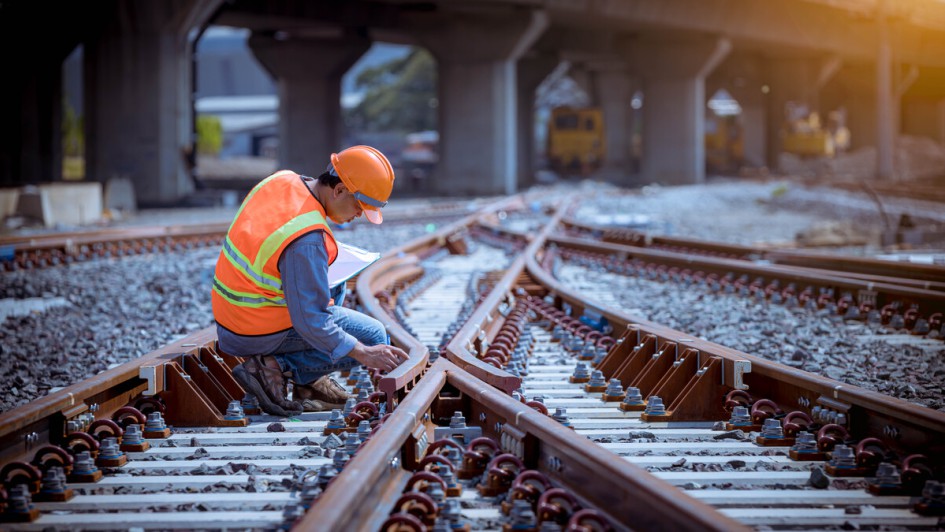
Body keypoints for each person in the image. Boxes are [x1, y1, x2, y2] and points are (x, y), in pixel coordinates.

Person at [211, 145, 410, 416]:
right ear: (339, 190)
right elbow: (311, 321)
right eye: (359, 206)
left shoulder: (282, 179)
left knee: (334, 281)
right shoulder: (306, 240)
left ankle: (307, 383)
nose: (359, 215)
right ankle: (275, 367)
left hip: (232, 314)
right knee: (373, 335)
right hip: (253, 328)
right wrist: (363, 352)